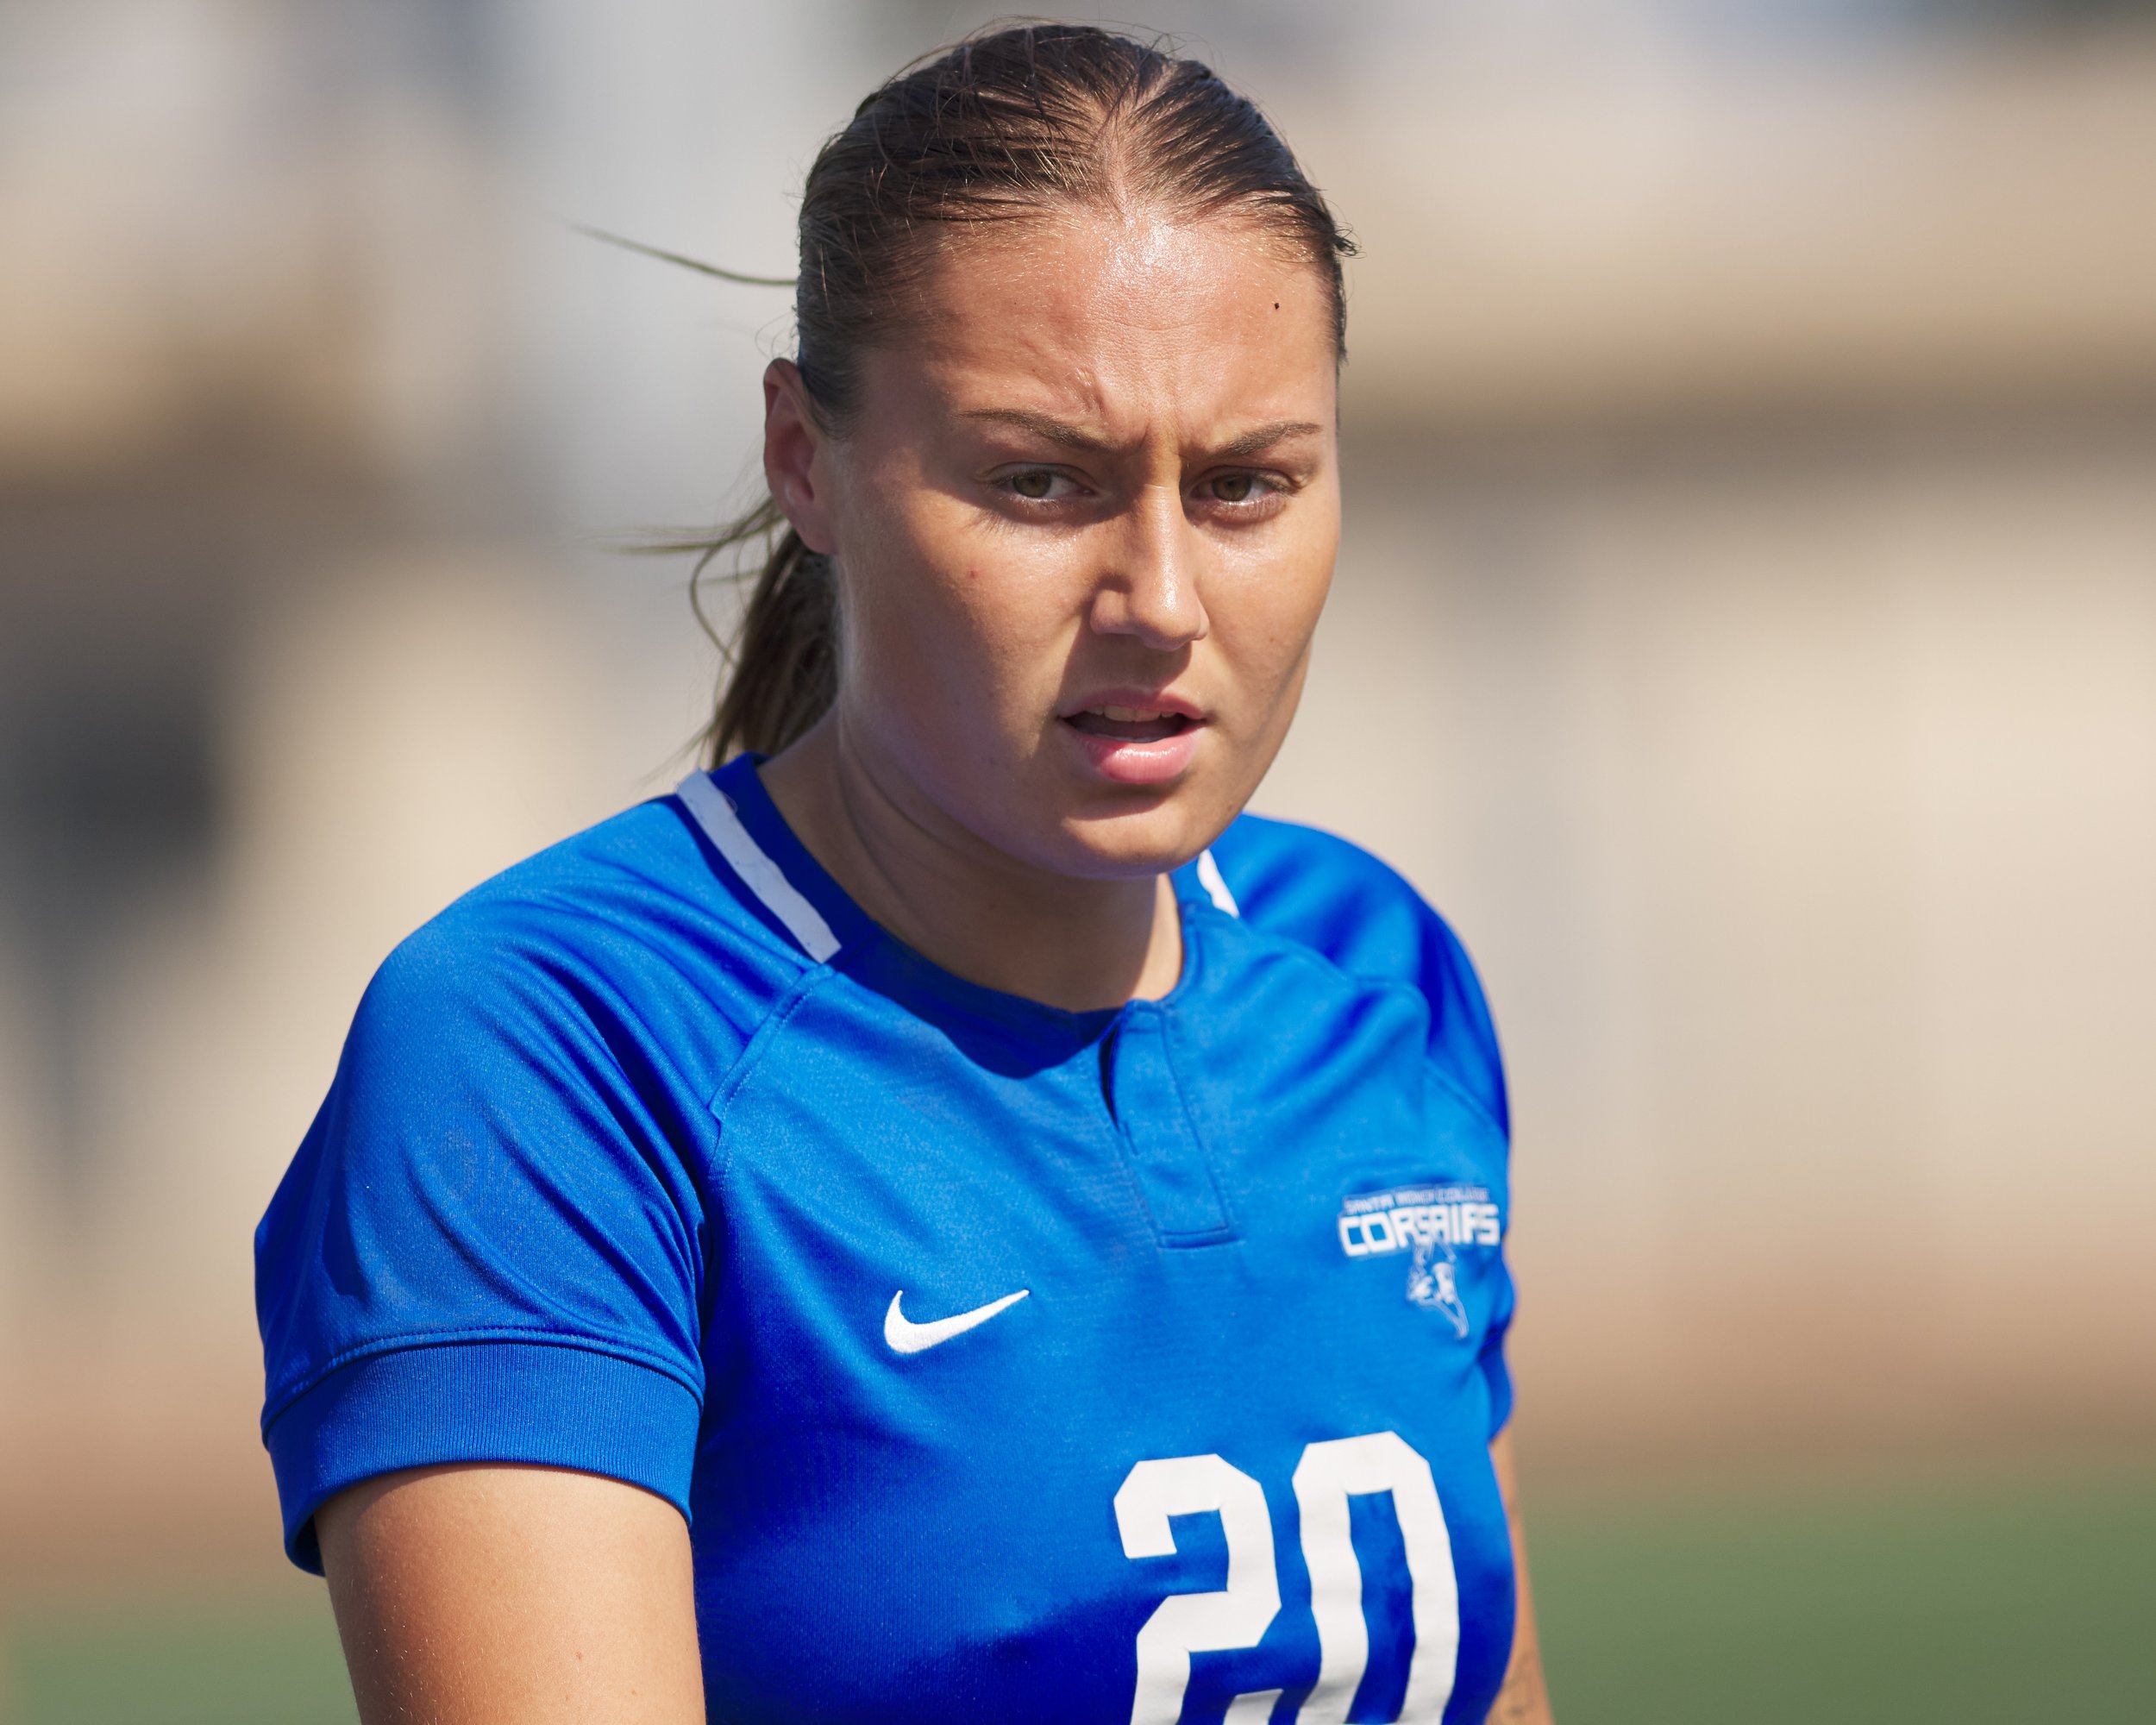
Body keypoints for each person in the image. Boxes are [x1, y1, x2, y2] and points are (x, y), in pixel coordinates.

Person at [254, 24, 1552, 1725]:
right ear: (805, 458)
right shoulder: (547, 1051)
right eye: (1038, 481)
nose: (1159, 593)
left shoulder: (1376, 973)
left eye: (1245, 485)